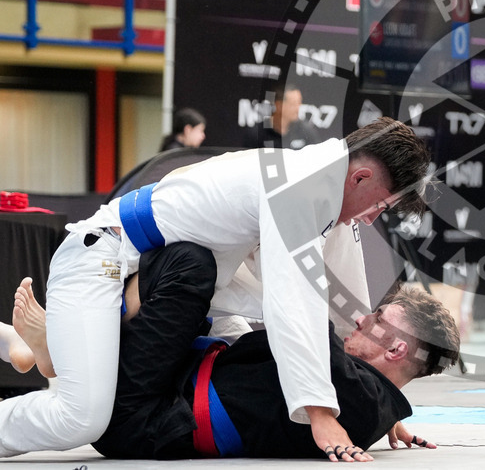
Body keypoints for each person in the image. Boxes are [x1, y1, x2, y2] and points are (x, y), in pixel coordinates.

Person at [0, 116, 431, 460]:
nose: (373, 218)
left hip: (177, 276)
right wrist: (321, 412)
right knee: (81, 417)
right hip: (104, 259)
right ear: (360, 177)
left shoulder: (324, 181)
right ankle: (55, 350)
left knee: (247, 347)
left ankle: (48, 349)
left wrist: (375, 398)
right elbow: (293, 303)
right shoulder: (303, 185)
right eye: (380, 205)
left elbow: (340, 306)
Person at [2, 242, 461, 460]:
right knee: (223, 280)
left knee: (190, 263)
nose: (362, 319)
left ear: (397, 349)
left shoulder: (358, 395)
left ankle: (57, 349)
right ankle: (42, 352)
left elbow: (302, 313)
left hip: (143, 415)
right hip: (185, 384)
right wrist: (393, 405)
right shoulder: (368, 399)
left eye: (377, 322)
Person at [249, 84, 322, 149]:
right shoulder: (257, 134)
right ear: (279, 105)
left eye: (299, 103)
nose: (298, 108)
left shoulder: (306, 131)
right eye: (293, 104)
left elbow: (317, 158)